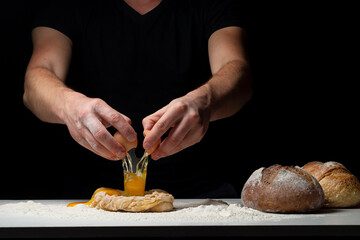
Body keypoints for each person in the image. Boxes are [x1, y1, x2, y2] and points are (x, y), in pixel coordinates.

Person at [23, 0, 252, 198]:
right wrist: (68, 105)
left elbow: (239, 73)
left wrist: (205, 99)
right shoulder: (70, 4)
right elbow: (36, 79)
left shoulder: (209, 4)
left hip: (201, 193)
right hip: (88, 195)